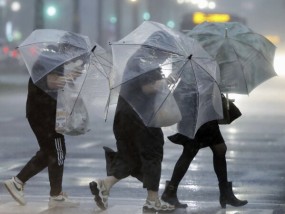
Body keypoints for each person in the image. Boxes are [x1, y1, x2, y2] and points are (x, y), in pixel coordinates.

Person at [89, 31, 176, 213]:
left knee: (131, 156)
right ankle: (152, 200)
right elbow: (147, 88)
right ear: (158, 49)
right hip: (141, 117)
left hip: (124, 116)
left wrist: (165, 81)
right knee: (153, 153)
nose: (168, 56)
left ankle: (104, 184)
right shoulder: (146, 62)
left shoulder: (139, 59)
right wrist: (165, 82)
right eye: (167, 52)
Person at [4, 40, 83, 208]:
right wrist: (69, 76)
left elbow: (55, 83)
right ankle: (55, 195)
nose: (75, 57)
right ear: (68, 48)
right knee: (57, 151)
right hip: (44, 114)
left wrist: (71, 75)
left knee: (50, 151)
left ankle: (19, 182)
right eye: (74, 53)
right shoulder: (51, 58)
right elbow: (51, 82)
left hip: (42, 112)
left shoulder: (53, 57)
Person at [161, 98, 248, 209]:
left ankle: (225, 193)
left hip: (205, 113)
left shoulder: (205, 80)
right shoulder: (191, 80)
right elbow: (187, 91)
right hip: (197, 114)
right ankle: (170, 192)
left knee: (217, 149)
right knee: (192, 151)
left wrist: (218, 95)